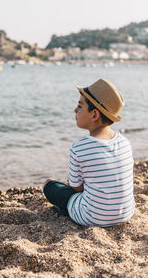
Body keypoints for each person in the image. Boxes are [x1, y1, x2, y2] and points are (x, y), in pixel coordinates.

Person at [43, 78, 135, 227]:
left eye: (80, 106)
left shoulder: (79, 147)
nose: (75, 110)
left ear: (94, 115)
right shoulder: (125, 142)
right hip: (125, 213)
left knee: (50, 186)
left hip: (93, 217)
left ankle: (65, 209)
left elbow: (76, 188)